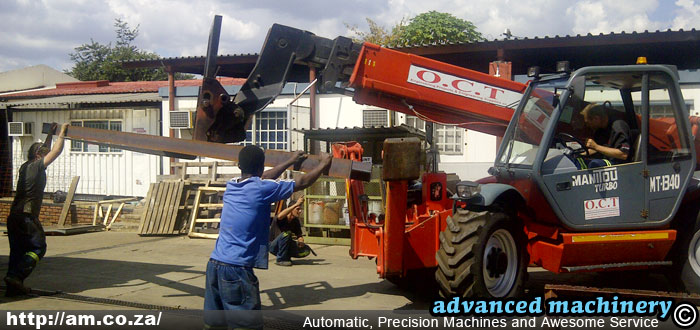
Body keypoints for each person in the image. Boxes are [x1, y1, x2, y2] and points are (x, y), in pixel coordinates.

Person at [204, 146, 332, 316]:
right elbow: (302, 182)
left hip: (214, 266)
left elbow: (263, 177)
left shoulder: (232, 185)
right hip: (237, 270)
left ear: (239, 166)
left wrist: (290, 161)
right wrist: (324, 163)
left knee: (214, 322)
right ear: (261, 166)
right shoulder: (261, 189)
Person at [5, 123, 68, 297]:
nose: (47, 154)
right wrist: (62, 134)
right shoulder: (37, 166)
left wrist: (50, 134)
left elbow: (45, 150)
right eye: (44, 153)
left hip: (14, 216)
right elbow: (54, 152)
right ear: (38, 155)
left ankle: (13, 286)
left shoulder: (26, 166)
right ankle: (16, 276)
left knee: (17, 252)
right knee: (38, 248)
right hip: (27, 216)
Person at [581, 103, 631, 168]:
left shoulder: (618, 126)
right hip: (606, 159)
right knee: (579, 161)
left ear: (596, 118)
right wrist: (581, 154)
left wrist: (596, 146)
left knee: (595, 164)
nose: (588, 125)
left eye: (588, 122)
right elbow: (600, 148)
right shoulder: (600, 130)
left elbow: (623, 154)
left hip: (619, 165)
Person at [269, 197, 311, 266]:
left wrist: (301, 242)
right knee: (287, 234)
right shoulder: (282, 217)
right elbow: (279, 216)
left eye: (300, 209)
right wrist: (296, 204)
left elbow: (299, 235)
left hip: (286, 244)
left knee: (306, 250)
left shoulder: (295, 221)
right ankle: (281, 259)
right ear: (291, 209)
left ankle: (286, 256)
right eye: (297, 209)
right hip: (273, 246)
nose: (300, 211)